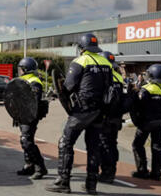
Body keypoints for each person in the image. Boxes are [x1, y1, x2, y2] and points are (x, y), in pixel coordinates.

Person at [45, 34, 112, 194]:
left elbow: (68, 86)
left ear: (81, 48)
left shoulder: (80, 61)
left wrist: (58, 90)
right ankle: (91, 185)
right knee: (93, 148)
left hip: (82, 111)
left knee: (65, 143)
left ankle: (63, 181)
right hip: (100, 111)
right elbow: (109, 87)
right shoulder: (106, 63)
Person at [130, 64, 161, 181]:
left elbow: (139, 105)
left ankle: (142, 170)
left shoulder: (147, 89)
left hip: (146, 122)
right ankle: (156, 173)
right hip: (160, 122)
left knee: (137, 144)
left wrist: (135, 93)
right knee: (157, 146)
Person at [97, 51, 134, 184]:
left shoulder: (103, 77)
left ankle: (107, 173)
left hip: (105, 117)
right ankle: (111, 170)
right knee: (112, 144)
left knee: (104, 145)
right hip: (116, 118)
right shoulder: (119, 77)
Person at [14, 57, 49, 180]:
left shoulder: (34, 82)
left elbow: (32, 101)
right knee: (25, 140)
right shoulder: (22, 80)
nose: (19, 71)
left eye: (21, 69)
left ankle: (41, 168)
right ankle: (29, 166)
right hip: (22, 115)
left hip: (30, 116)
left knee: (27, 141)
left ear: (26, 69)